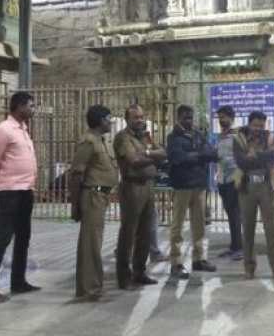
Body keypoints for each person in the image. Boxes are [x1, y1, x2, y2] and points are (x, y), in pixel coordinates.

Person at [0, 92, 39, 303]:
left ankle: (18, 281)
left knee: (23, 237)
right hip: (9, 192)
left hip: (25, 191)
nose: (33, 109)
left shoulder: (23, 130)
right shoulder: (3, 130)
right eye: (31, 106)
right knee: (2, 239)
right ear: (19, 106)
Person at [69, 105, 119, 301]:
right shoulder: (88, 141)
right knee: (91, 244)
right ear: (99, 120)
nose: (110, 122)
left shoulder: (101, 140)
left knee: (93, 242)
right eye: (108, 118)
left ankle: (90, 287)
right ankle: (90, 289)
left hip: (101, 196)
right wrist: (75, 204)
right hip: (92, 196)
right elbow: (76, 174)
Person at [233, 111, 274, 281]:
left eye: (261, 125)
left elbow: (273, 157)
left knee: (272, 229)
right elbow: (240, 161)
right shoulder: (239, 139)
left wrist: (255, 155)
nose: (258, 128)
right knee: (248, 229)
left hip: (266, 186)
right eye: (255, 125)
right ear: (249, 124)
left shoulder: (270, 137)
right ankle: (249, 268)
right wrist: (256, 158)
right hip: (247, 187)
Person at [113, 105, 165, 289]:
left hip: (148, 187)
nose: (140, 120)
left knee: (145, 233)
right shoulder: (122, 138)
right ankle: (123, 276)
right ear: (127, 119)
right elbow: (133, 161)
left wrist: (148, 153)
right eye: (136, 117)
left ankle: (139, 272)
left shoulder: (145, 136)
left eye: (142, 117)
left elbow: (163, 153)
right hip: (132, 187)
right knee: (129, 233)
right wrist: (153, 156)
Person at [166, 105, 218, 279]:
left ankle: (198, 259)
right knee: (178, 226)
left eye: (191, 117)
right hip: (182, 186)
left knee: (199, 225)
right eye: (186, 117)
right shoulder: (173, 137)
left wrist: (195, 155)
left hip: (199, 185)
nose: (189, 121)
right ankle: (176, 263)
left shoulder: (198, 134)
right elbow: (178, 158)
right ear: (178, 118)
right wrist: (199, 155)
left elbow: (212, 153)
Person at [214, 105, 243, 261]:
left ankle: (239, 248)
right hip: (222, 180)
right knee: (230, 214)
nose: (221, 120)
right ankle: (234, 246)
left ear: (231, 119)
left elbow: (240, 158)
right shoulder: (221, 136)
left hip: (234, 180)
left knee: (236, 214)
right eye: (219, 117)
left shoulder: (237, 136)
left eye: (224, 117)